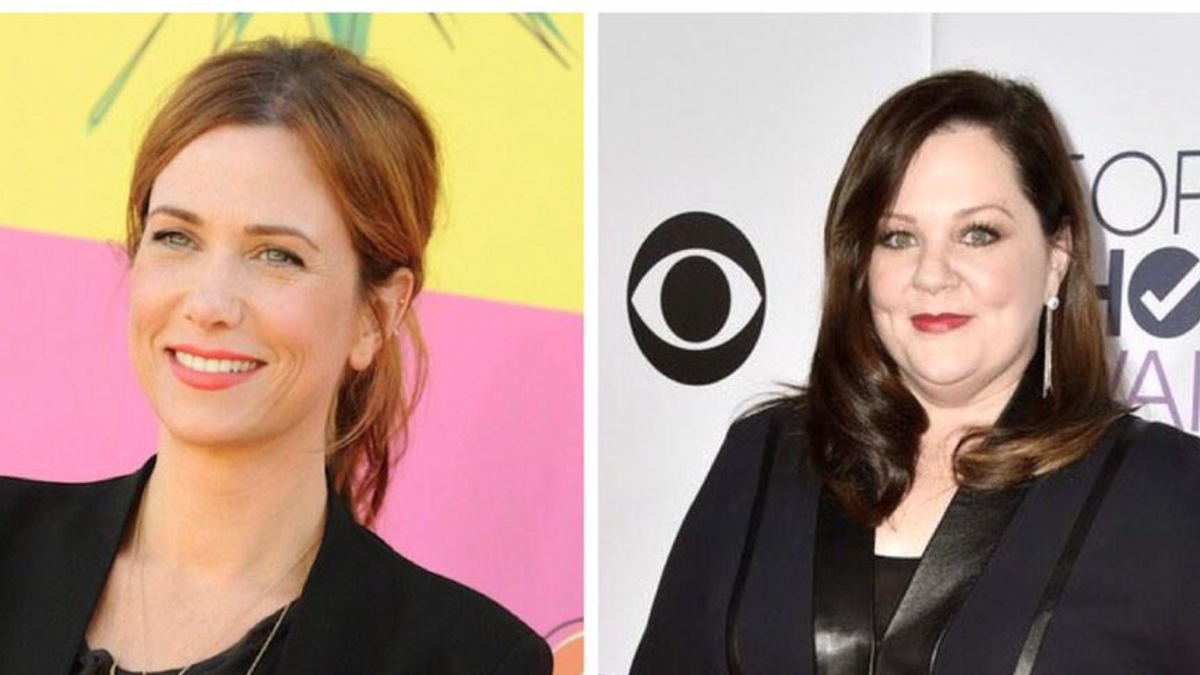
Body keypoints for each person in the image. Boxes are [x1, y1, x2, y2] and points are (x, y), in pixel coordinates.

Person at [0, 39, 551, 675]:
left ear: (376, 316)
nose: (210, 303)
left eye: (277, 255)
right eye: (176, 237)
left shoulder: (468, 659)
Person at [630, 70, 1200, 675]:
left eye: (977, 234)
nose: (932, 274)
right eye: (899, 237)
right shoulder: (765, 457)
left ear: (1056, 256)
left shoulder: (1169, 492)